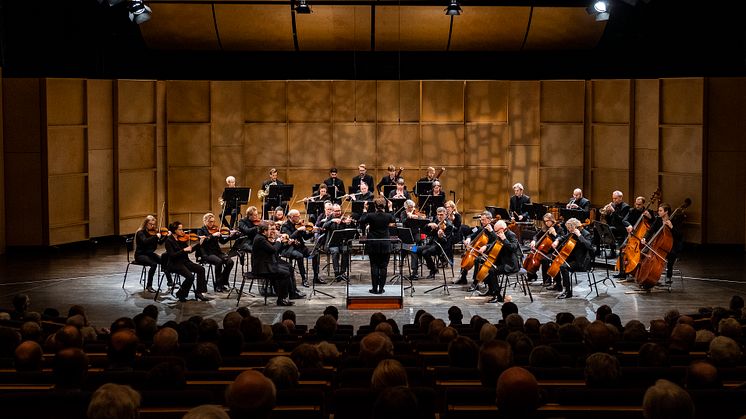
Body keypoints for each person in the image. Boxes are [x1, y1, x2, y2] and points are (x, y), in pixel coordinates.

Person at [251, 222, 295, 306]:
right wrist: (278, 241)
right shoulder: (260, 239)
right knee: (285, 273)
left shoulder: (262, 237)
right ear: (264, 231)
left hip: (266, 264)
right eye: (269, 230)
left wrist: (281, 242)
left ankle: (284, 296)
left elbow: (273, 250)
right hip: (261, 268)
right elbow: (273, 250)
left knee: (287, 269)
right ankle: (282, 299)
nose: (271, 231)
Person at [165, 221, 210, 303]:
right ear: (174, 230)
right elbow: (172, 255)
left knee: (201, 269)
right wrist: (183, 250)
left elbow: (189, 250)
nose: (182, 231)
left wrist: (199, 244)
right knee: (190, 277)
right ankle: (181, 294)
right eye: (180, 229)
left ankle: (199, 292)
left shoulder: (181, 239)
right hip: (175, 264)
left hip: (185, 262)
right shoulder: (169, 241)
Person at [359, 198, 397, 294]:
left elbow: (361, 220)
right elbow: (394, 219)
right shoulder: (388, 216)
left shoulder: (370, 215)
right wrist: (391, 208)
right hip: (385, 243)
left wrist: (364, 209)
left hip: (373, 243)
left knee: (374, 266)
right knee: (384, 267)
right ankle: (381, 289)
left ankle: (374, 289)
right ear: (384, 206)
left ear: (375, 206)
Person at [641, 203, 684, 285]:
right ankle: (651, 275)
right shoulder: (658, 220)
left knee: (671, 255)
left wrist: (672, 227)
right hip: (658, 244)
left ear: (666, 212)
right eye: (658, 210)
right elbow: (650, 230)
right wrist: (644, 238)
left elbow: (679, 235)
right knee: (645, 252)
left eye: (660, 211)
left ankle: (668, 275)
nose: (658, 212)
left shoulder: (674, 221)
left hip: (672, 245)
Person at [550, 218, 594, 299]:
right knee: (555, 259)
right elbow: (563, 237)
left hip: (582, 261)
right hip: (573, 259)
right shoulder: (571, 233)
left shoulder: (586, 234)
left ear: (575, 227)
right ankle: (558, 284)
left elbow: (589, 246)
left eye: (569, 228)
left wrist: (579, 236)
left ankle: (568, 292)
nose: (568, 230)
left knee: (563, 267)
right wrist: (557, 240)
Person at [482, 219, 522, 303]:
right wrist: (486, 247)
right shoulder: (500, 234)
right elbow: (494, 243)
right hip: (502, 261)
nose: (496, 233)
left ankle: (498, 296)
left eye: (496, 231)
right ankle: (492, 291)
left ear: (502, 229)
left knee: (492, 271)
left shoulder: (511, 235)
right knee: (487, 266)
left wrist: (505, 239)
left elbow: (514, 248)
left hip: (510, 264)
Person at [280, 208, 321, 288]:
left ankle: (316, 276)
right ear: (291, 217)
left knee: (315, 254)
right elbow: (289, 238)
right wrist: (298, 230)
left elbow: (305, 238)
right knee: (299, 256)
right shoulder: (285, 226)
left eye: (299, 216)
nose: (299, 218)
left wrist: (311, 232)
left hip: (300, 247)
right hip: (289, 248)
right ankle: (304, 279)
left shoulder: (299, 224)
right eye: (297, 216)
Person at [197, 213, 236, 292]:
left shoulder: (216, 229)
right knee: (219, 262)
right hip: (207, 253)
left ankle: (223, 282)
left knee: (230, 262)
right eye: (210, 222)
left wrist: (230, 236)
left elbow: (222, 242)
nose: (212, 223)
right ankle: (218, 284)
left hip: (217, 252)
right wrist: (212, 235)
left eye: (213, 221)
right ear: (205, 221)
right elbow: (203, 243)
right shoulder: (200, 231)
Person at [134, 215, 172, 292]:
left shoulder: (154, 233)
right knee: (153, 264)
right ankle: (149, 286)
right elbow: (145, 241)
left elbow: (160, 242)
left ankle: (170, 282)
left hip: (149, 254)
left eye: (154, 224)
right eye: (150, 224)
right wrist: (155, 237)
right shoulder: (140, 233)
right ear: (146, 224)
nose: (153, 226)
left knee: (164, 261)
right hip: (140, 255)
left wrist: (166, 236)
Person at [414, 207, 453, 280]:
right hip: (431, 243)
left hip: (440, 246)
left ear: (445, 214)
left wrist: (441, 236)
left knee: (425, 252)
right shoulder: (435, 220)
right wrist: (429, 224)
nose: (439, 216)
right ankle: (414, 272)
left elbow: (446, 241)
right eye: (438, 214)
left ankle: (433, 269)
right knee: (414, 248)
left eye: (441, 215)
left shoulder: (449, 225)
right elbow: (424, 229)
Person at [526, 213, 565, 286]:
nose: (546, 223)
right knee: (536, 257)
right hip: (544, 249)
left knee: (544, 260)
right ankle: (532, 275)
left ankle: (547, 280)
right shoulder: (545, 228)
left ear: (552, 220)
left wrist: (554, 234)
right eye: (545, 221)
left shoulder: (558, 228)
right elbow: (536, 236)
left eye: (548, 221)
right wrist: (534, 240)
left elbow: (562, 240)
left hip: (554, 250)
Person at [323, 204, 356, 282]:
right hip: (332, 243)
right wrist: (332, 221)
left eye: (339, 211)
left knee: (346, 251)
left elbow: (351, 231)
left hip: (342, 243)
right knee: (335, 252)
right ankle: (336, 273)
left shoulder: (343, 218)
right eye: (336, 211)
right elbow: (324, 226)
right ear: (332, 211)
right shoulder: (330, 218)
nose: (338, 213)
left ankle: (342, 272)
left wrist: (348, 224)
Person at [600, 190, 630, 255]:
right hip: (612, 226)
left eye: (615, 198)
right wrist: (607, 213)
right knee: (597, 227)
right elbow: (609, 219)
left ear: (620, 198)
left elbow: (621, 220)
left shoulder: (626, 207)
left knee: (609, 229)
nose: (614, 200)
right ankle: (597, 249)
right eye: (613, 198)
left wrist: (613, 211)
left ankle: (612, 251)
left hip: (621, 228)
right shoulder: (613, 205)